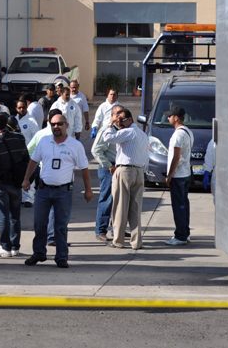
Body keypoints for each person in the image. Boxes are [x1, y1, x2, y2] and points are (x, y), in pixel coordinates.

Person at [22, 113, 93, 268]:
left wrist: (88, 190)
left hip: (63, 192)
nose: (56, 127)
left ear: (66, 125)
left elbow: (84, 169)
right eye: (53, 124)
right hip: (43, 190)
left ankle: (61, 257)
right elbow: (33, 161)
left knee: (60, 226)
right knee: (39, 224)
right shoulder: (44, 141)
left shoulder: (75, 145)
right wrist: (26, 179)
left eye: (60, 124)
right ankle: (39, 253)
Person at [0, 113, 30, 258]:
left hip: (0, 185)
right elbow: (26, 159)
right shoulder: (19, 138)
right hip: (16, 183)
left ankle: (5, 246)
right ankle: (15, 246)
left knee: (2, 216)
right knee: (15, 216)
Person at [102, 108, 149, 250]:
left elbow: (107, 138)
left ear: (130, 120)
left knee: (120, 207)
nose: (119, 122)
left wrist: (110, 123)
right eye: (118, 120)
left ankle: (118, 240)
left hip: (125, 170)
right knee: (135, 209)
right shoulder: (142, 134)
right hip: (139, 171)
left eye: (122, 120)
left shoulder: (128, 132)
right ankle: (136, 242)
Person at [91, 104, 125, 242]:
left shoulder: (123, 130)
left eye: (122, 114)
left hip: (120, 168)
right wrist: (109, 165)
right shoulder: (106, 130)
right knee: (107, 199)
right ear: (111, 116)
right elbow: (96, 150)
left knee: (120, 200)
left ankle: (117, 228)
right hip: (108, 169)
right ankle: (101, 230)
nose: (120, 117)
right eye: (117, 114)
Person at [164, 106, 194, 246]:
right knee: (184, 205)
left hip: (179, 175)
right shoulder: (188, 131)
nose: (168, 118)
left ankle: (180, 236)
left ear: (176, 117)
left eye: (170, 116)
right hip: (186, 173)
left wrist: (169, 175)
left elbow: (176, 157)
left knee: (179, 206)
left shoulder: (177, 135)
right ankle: (185, 233)